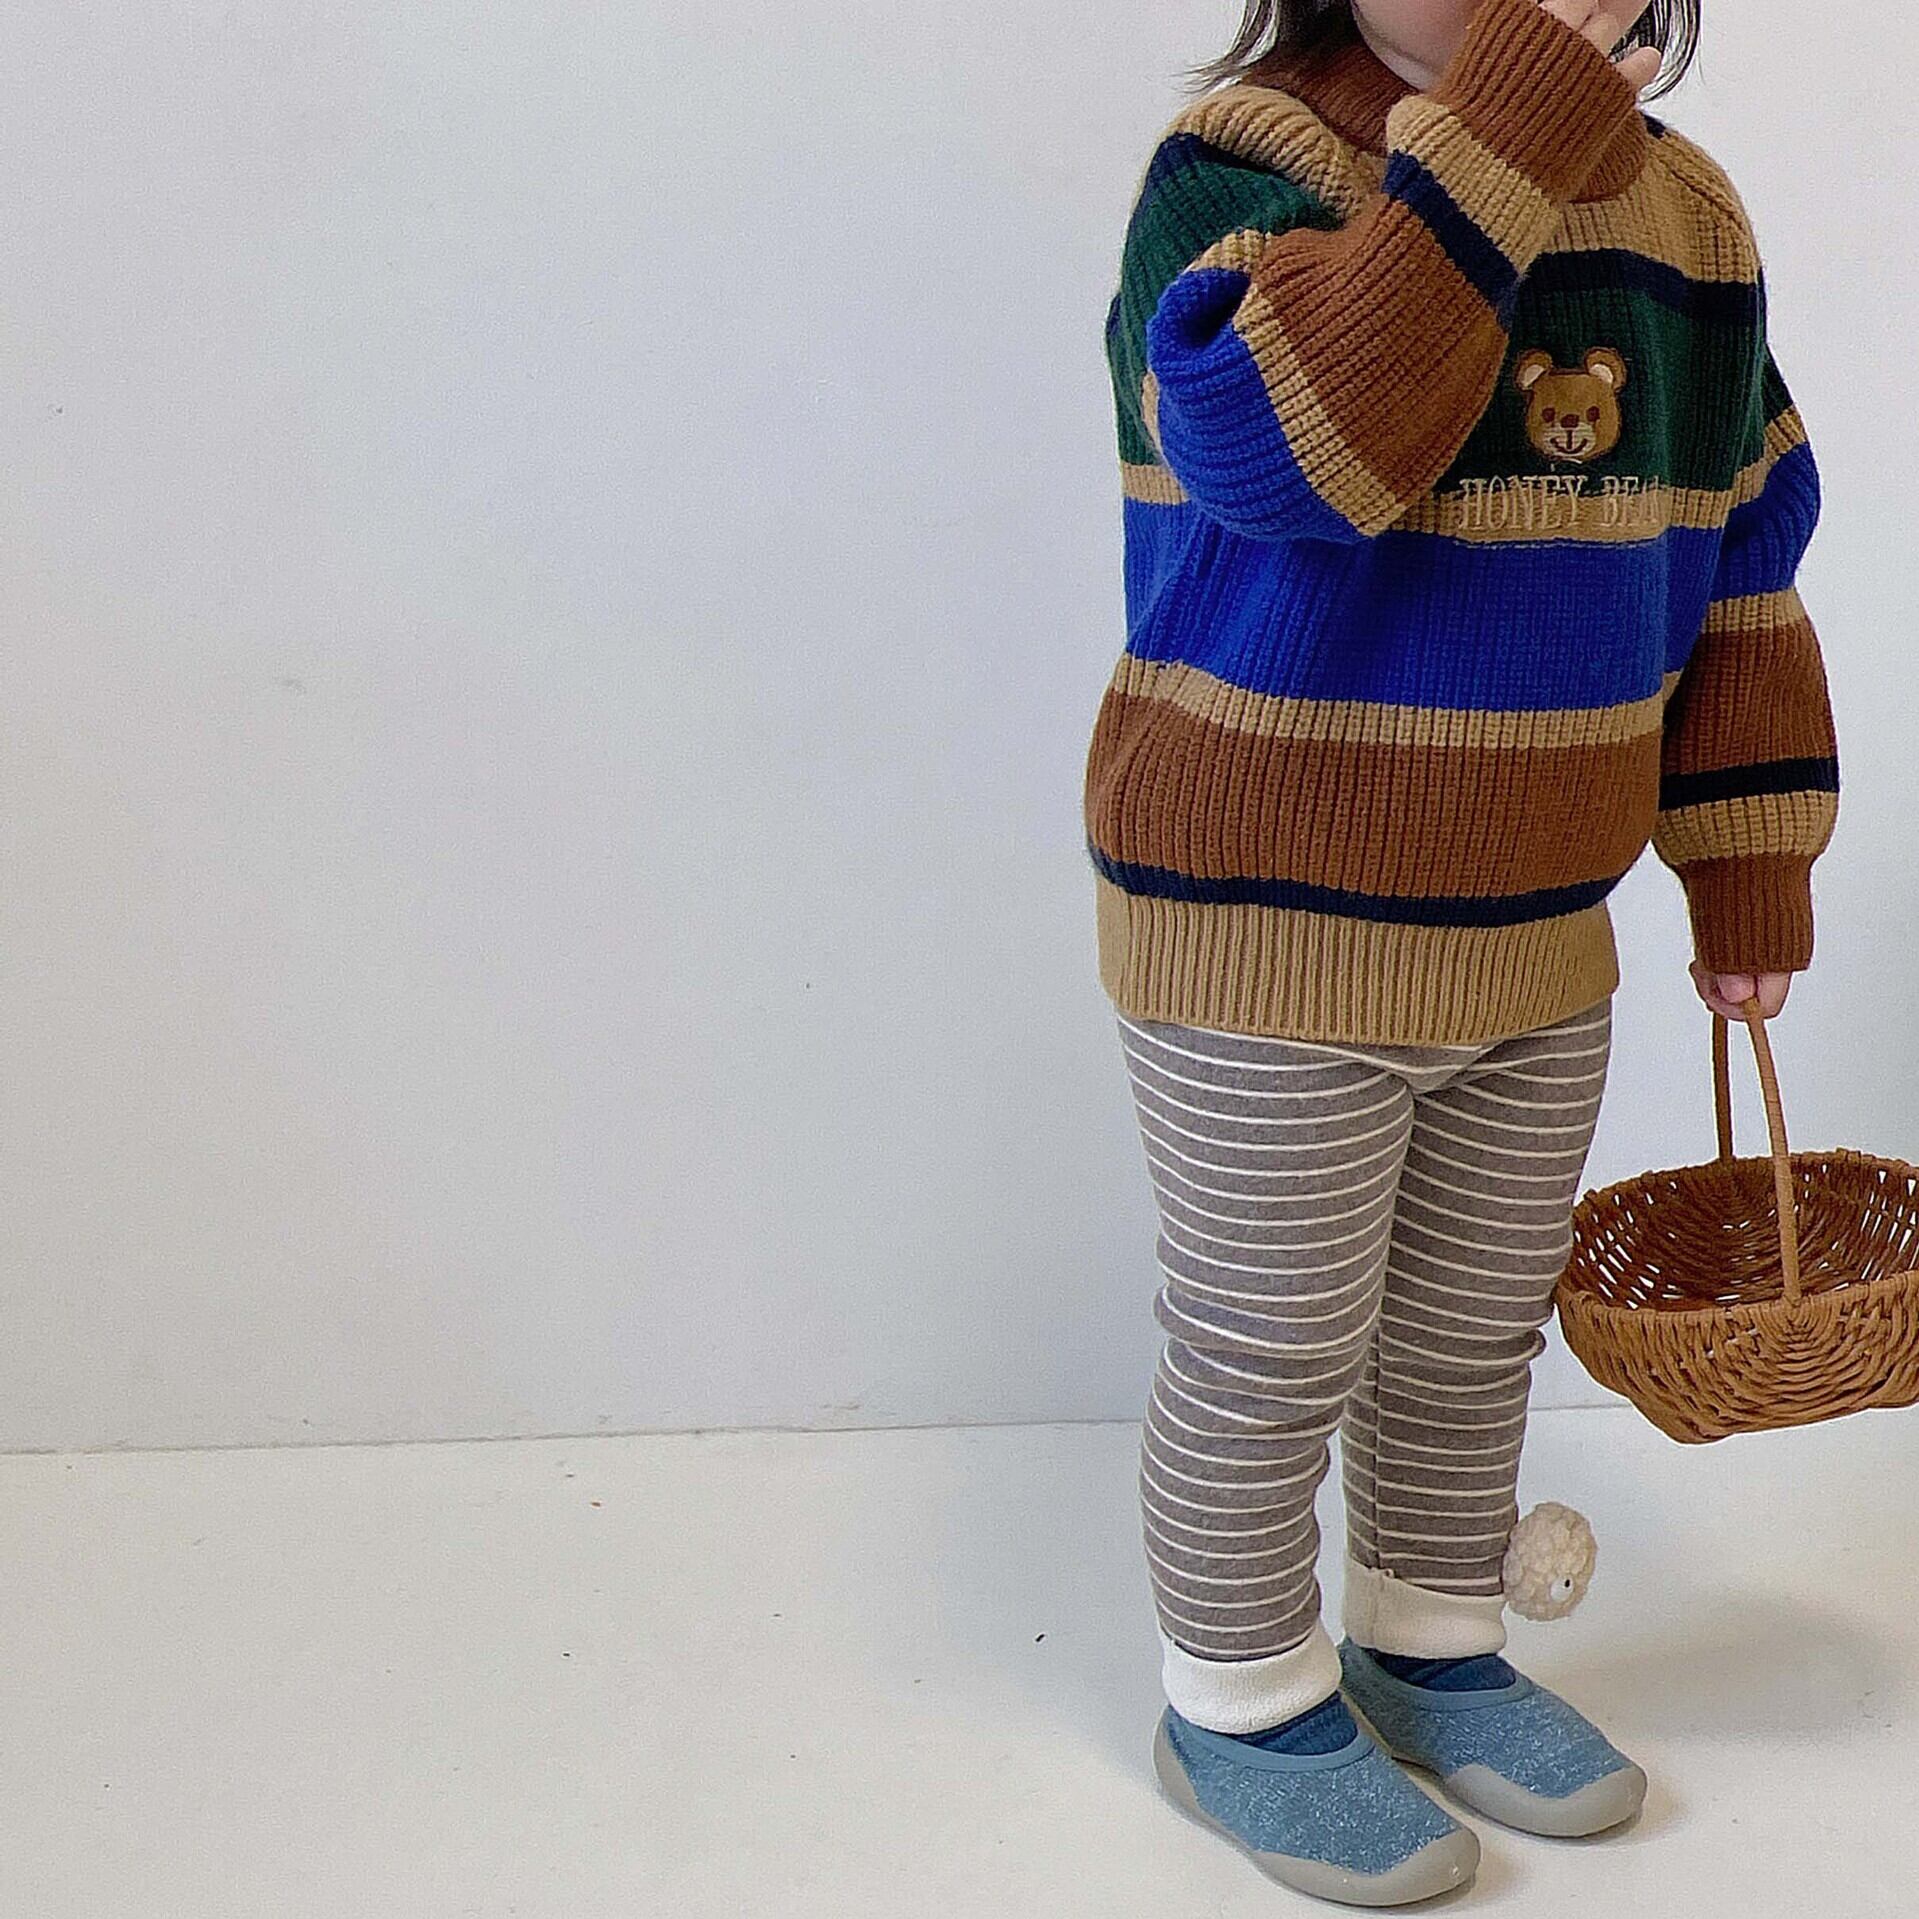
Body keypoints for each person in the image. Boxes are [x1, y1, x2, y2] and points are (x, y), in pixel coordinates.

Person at [1084, 0, 1839, 1900]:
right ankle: (1239, 1700)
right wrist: (1504, 131)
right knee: (1272, 1349)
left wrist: (1747, 862)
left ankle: (1429, 1643)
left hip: (1536, 932)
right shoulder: (1248, 170)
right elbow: (1296, 465)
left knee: (1463, 1337)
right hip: (1263, 924)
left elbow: (1739, 555)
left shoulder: (1686, 220)